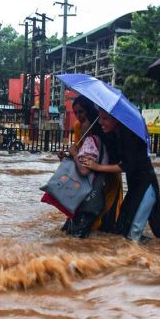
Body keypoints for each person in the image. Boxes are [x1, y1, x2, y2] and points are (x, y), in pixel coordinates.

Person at [81, 109, 160, 244]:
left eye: (105, 119)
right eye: (99, 118)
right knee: (123, 228)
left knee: (133, 233)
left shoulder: (129, 135)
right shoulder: (116, 135)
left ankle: (148, 261)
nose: (100, 122)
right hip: (135, 186)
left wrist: (98, 167)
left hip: (146, 186)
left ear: (116, 119)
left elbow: (126, 166)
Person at [60, 96, 122, 238]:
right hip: (87, 180)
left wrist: (77, 156)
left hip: (105, 178)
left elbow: (84, 165)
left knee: (101, 216)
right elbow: (82, 155)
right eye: (75, 112)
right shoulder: (79, 127)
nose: (78, 117)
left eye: (81, 112)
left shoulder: (102, 130)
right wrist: (69, 156)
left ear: (89, 111)